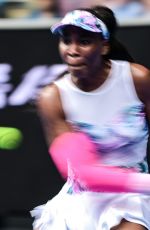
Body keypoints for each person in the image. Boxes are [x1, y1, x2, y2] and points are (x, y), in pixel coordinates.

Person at [31, 5, 150, 230]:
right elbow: (83, 173)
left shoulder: (138, 79)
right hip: (82, 199)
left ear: (104, 46)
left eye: (84, 41)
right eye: (66, 41)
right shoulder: (52, 98)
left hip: (136, 198)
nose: (72, 50)